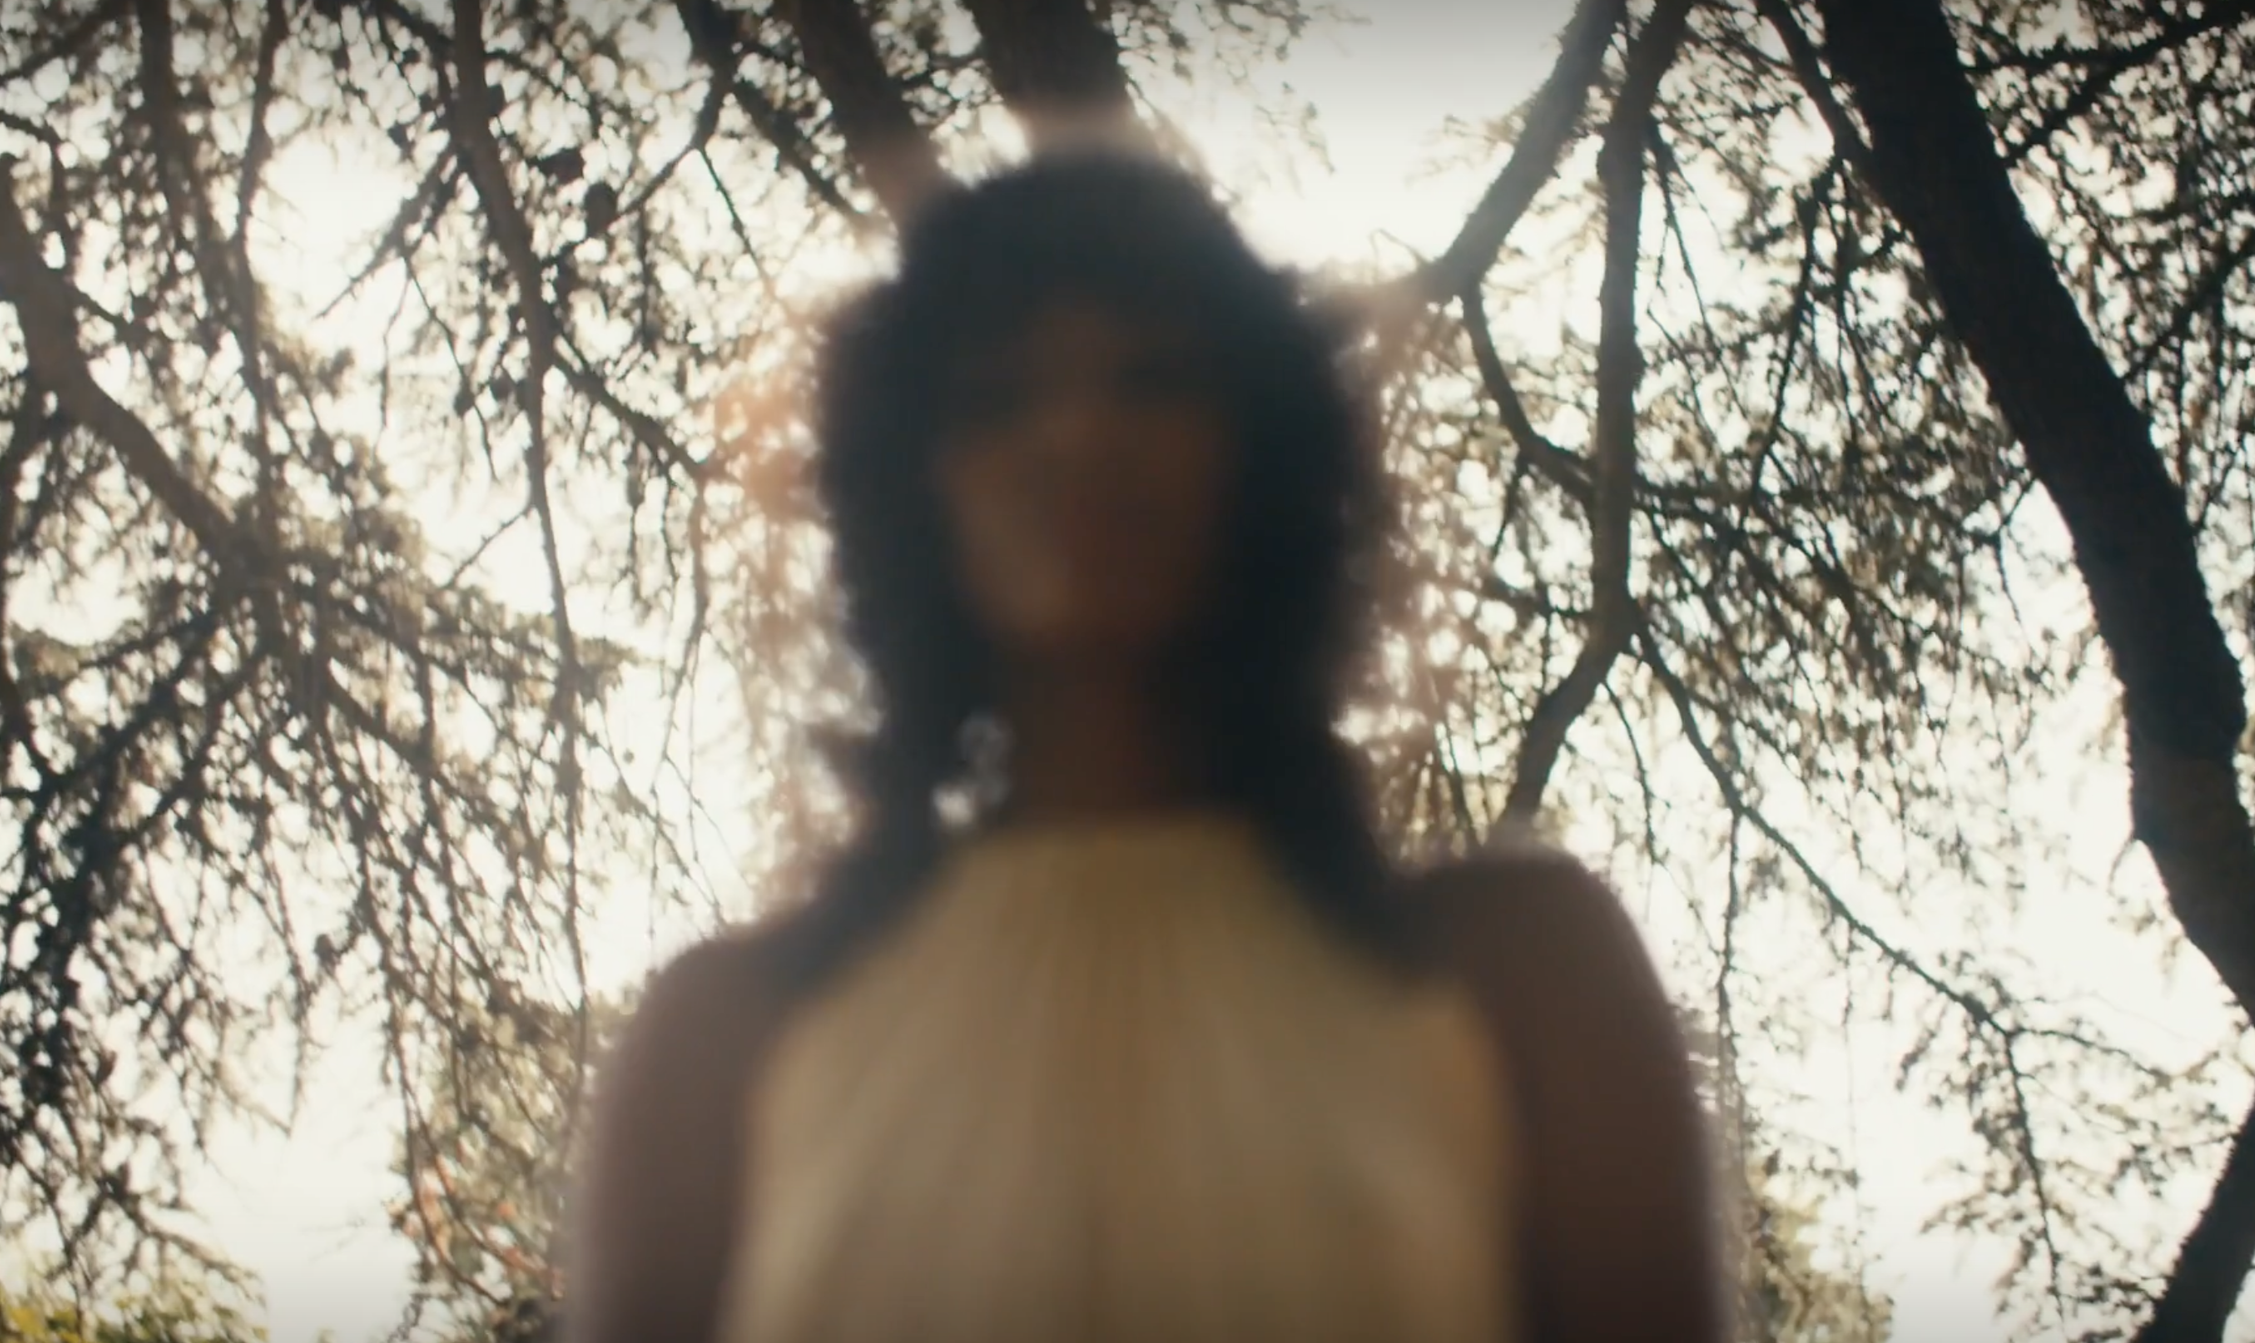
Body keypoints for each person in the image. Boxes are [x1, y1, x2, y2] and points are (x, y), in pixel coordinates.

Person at [562, 149, 1726, 1343]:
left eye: (1153, 376)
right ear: (912, 492)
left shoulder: (1523, 973)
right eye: (993, 396)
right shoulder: (721, 1039)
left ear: (1265, 452)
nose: (1075, 430)